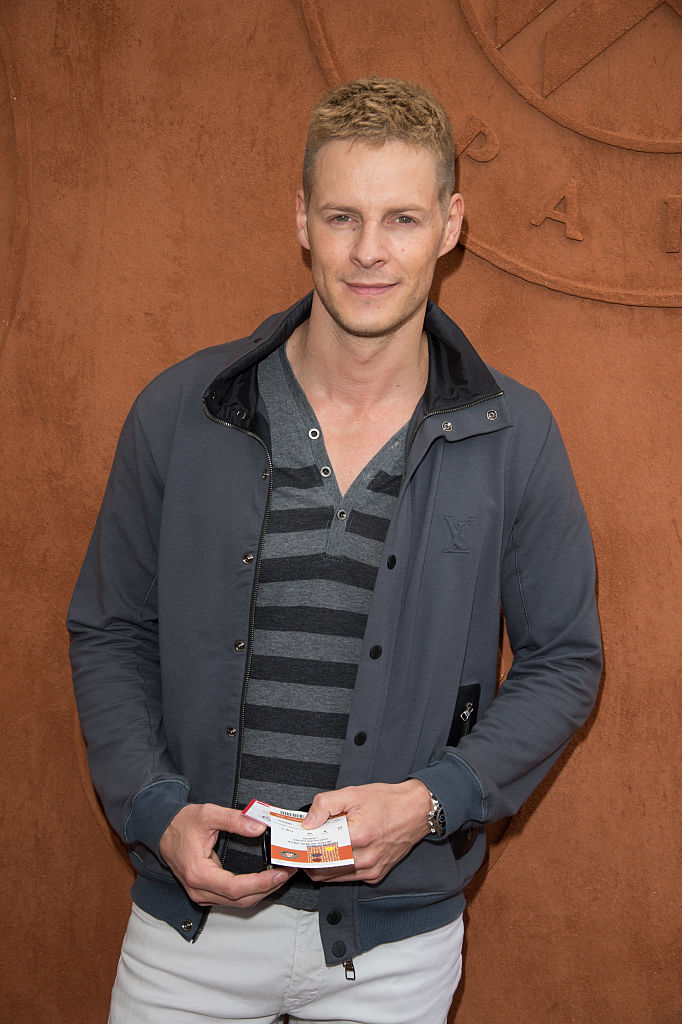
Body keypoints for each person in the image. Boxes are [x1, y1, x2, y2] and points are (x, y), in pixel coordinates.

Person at [68, 77, 602, 1024]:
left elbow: (565, 663)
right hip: (187, 932)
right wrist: (156, 811)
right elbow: (109, 632)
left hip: (394, 950)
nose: (369, 251)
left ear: (450, 224)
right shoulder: (180, 412)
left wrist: (434, 801)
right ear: (302, 221)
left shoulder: (515, 435)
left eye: (401, 218)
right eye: (343, 215)